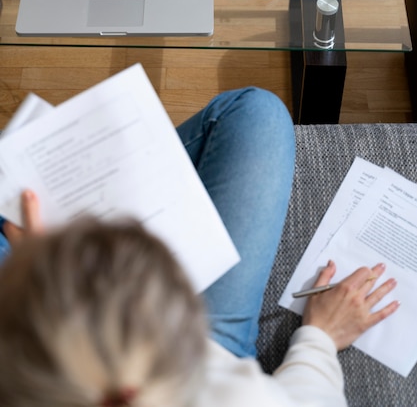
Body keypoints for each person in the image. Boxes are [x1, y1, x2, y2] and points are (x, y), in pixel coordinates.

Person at [0, 87, 399, 406]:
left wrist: (38, 286)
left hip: (61, 336)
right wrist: (321, 338)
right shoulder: (246, 398)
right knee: (257, 113)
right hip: (204, 349)